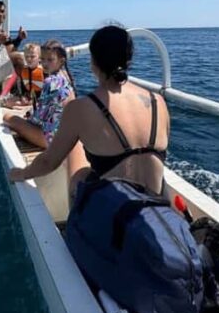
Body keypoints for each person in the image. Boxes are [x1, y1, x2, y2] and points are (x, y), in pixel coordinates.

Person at [9, 25, 168, 197]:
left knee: (76, 155)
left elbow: (48, 162)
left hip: (113, 209)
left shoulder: (80, 108)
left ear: (93, 62)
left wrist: (21, 173)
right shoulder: (158, 102)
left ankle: (75, 213)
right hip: (156, 205)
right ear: (129, 60)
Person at [3, 40, 75, 149]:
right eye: (43, 59)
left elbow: (38, 118)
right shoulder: (65, 77)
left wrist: (28, 118)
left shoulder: (49, 82)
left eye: (50, 60)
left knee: (8, 118)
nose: (45, 63)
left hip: (52, 140)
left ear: (61, 61)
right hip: (67, 135)